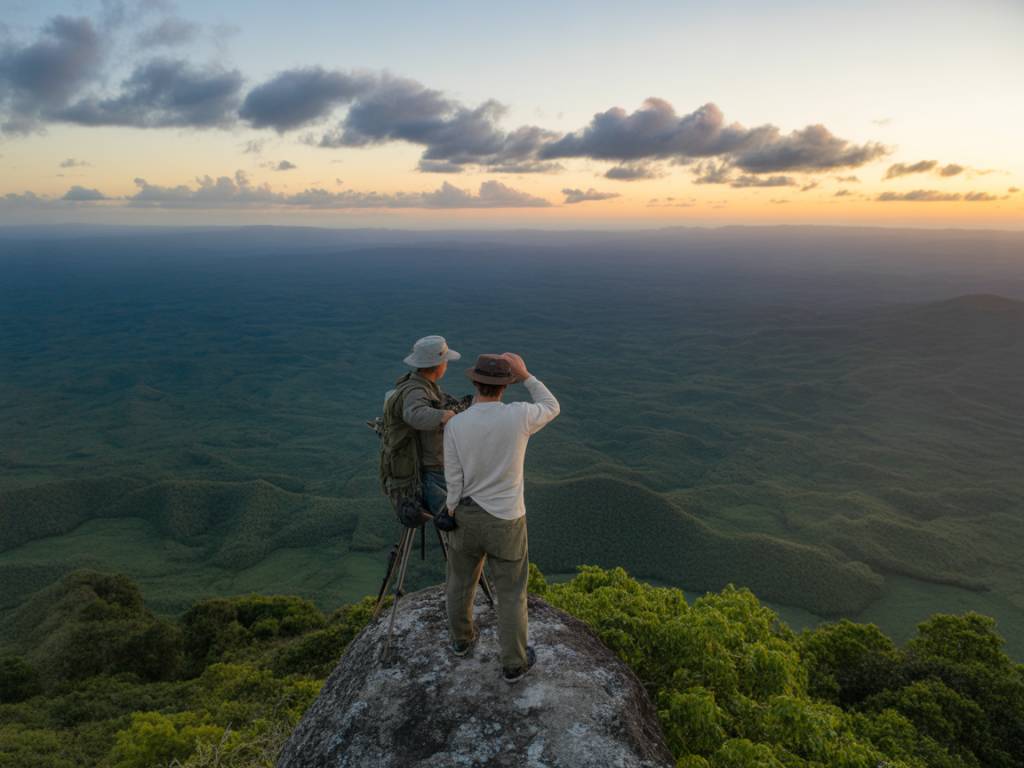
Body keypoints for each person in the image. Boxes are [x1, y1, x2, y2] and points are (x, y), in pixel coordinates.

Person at [443, 352, 559, 683]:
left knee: (460, 581)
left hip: (465, 513)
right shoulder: (518, 416)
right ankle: (513, 663)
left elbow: (453, 476)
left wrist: (451, 509)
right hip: (507, 519)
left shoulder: (456, 424)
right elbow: (552, 406)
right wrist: (526, 375)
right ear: (505, 387)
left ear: (474, 382)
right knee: (510, 591)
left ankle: (461, 642)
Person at [386, 335, 462, 521]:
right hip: (431, 474)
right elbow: (415, 415)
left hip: (424, 470)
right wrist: (446, 416)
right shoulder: (417, 390)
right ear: (439, 364)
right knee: (457, 522)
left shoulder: (417, 385)